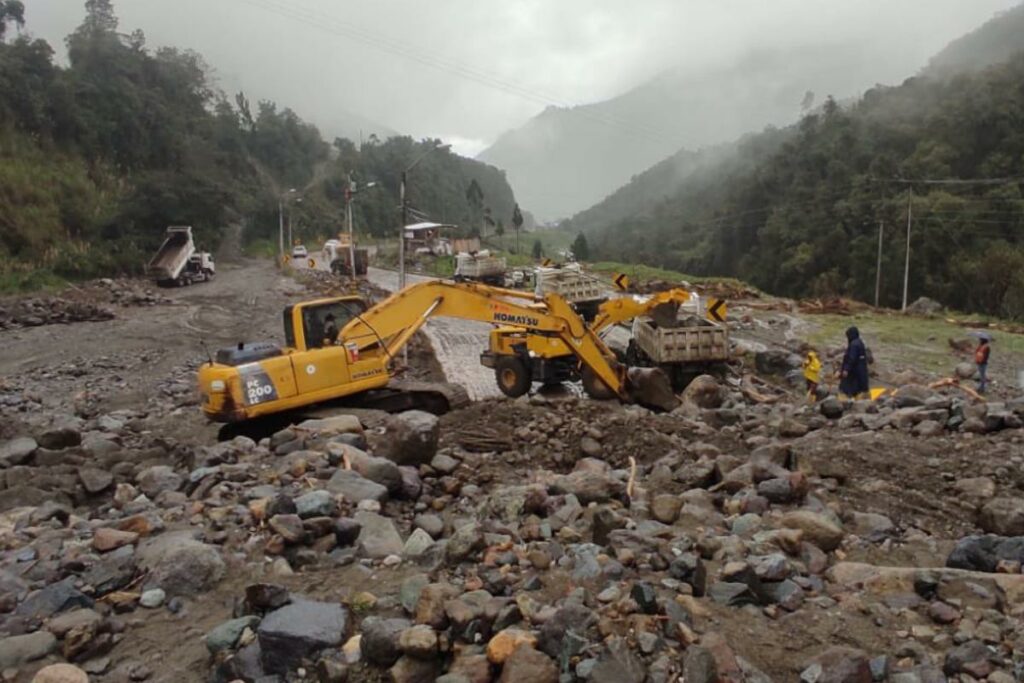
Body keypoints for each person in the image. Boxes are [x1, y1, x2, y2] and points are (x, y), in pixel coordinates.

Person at [839, 326, 870, 399]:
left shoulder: (854, 345)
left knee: (848, 387)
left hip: (854, 371)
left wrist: (846, 369)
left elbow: (851, 358)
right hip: (861, 370)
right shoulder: (860, 342)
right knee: (860, 387)